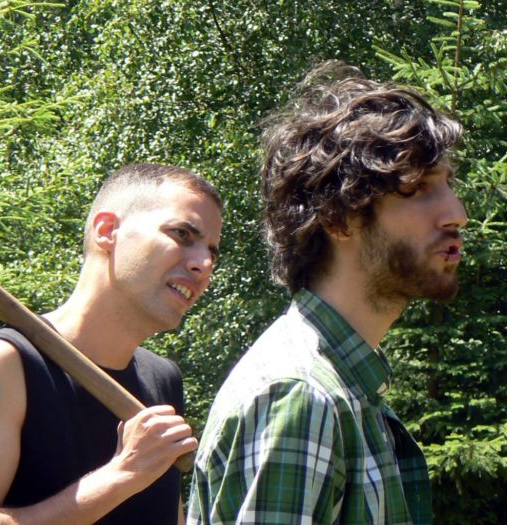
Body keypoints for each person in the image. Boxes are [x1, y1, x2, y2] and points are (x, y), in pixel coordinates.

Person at [187, 62, 467, 525]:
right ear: (337, 219)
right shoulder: (302, 396)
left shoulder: (345, 387)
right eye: (418, 188)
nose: (457, 213)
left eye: (448, 185)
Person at [0, 163, 222, 524]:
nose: (204, 264)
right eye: (182, 234)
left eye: (212, 252)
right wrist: (121, 476)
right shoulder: (4, 364)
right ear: (107, 231)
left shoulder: (162, 380)